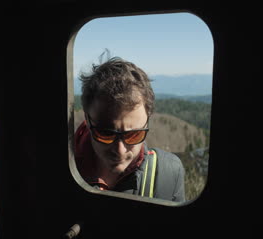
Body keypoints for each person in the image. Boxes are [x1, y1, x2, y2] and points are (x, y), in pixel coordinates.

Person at [74, 56, 185, 202]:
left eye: (134, 135)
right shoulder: (68, 166)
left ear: (147, 122)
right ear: (87, 120)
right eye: (106, 133)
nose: (120, 150)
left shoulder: (169, 173)